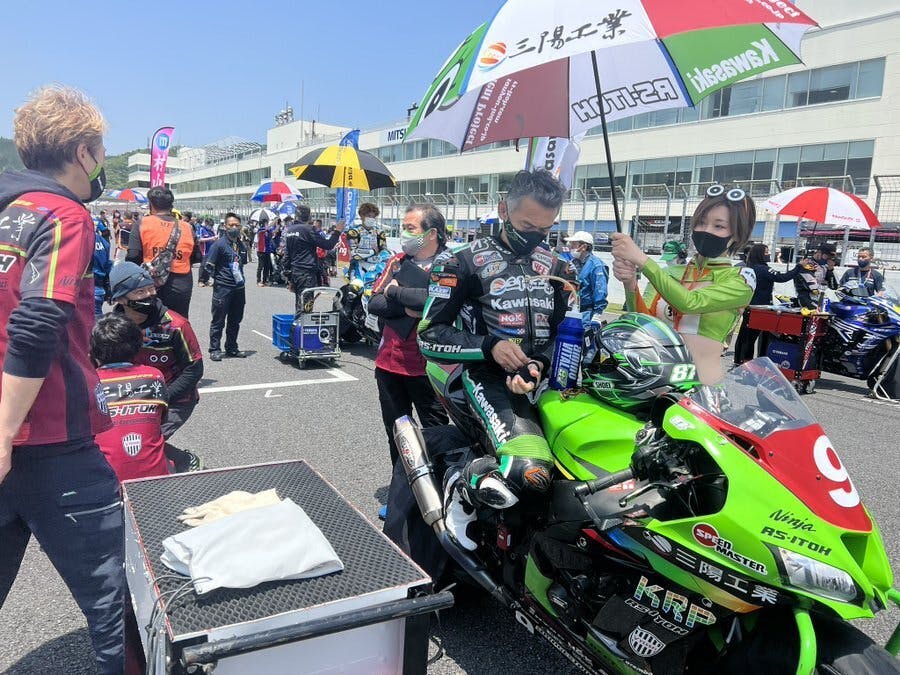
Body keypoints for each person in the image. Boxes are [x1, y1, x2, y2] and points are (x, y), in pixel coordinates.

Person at [0, 85, 125, 674]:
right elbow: (38, 323)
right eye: (101, 151)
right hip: (50, 439)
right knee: (116, 601)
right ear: (82, 153)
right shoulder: (64, 215)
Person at [418, 170, 575, 551]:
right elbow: (429, 335)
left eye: (546, 228)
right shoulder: (459, 263)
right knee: (530, 472)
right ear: (503, 210)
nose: (536, 235)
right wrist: (489, 347)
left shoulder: (558, 267)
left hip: (543, 381)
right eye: (527, 225)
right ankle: (461, 487)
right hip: (485, 377)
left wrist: (538, 365)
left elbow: (561, 333)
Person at [611, 184, 757, 385]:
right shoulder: (669, 273)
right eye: (701, 223)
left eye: (719, 226)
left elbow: (690, 303)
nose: (706, 230)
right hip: (657, 383)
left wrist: (642, 260)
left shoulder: (740, 279)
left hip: (703, 387)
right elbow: (644, 324)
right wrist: (630, 285)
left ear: (738, 235)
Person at [369, 204, 450, 519]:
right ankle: (401, 497)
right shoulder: (397, 261)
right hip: (389, 364)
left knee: (436, 434)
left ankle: (441, 498)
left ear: (432, 233)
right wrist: (409, 307)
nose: (404, 233)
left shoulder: (450, 264)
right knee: (397, 433)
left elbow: (437, 303)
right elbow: (375, 302)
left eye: (410, 228)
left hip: (431, 367)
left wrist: (397, 294)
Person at [109, 262, 204, 473]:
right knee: (115, 439)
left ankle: (183, 461)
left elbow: (194, 369)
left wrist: (161, 398)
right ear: (121, 299)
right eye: (140, 292)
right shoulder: (111, 326)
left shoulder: (176, 325)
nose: (149, 295)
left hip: (174, 398)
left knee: (143, 438)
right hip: (128, 398)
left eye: (151, 288)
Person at [91, 314, 170, 482]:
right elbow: (160, 420)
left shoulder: (88, 382)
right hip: (157, 480)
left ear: (94, 350)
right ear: (137, 345)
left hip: (106, 483)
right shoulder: (154, 376)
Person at [127, 186, 201, 317]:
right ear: (171, 205)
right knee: (178, 321)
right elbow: (197, 257)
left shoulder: (142, 223)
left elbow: (133, 256)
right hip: (181, 283)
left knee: (149, 320)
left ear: (151, 205)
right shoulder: (187, 227)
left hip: (151, 282)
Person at [733, 243, 804, 364]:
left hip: (751, 307)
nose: (768, 254)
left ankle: (741, 361)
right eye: (766, 252)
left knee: (747, 336)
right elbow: (782, 277)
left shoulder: (750, 268)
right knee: (752, 337)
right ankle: (748, 362)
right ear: (759, 254)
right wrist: (798, 266)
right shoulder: (762, 269)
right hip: (759, 309)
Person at [284, 204, 344, 316]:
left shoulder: (290, 230)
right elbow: (328, 244)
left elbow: (287, 256)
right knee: (306, 307)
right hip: (306, 272)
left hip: (295, 272)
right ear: (308, 216)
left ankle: (297, 323)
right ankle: (301, 325)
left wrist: (289, 277)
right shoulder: (307, 230)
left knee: (299, 304)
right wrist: (337, 231)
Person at [205, 212, 249, 361]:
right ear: (225, 226)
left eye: (237, 225)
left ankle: (231, 347)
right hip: (223, 288)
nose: (234, 227)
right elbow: (208, 266)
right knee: (218, 320)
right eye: (231, 225)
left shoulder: (241, 245)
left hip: (239, 288)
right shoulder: (219, 245)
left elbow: (242, 263)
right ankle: (215, 349)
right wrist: (217, 280)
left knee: (235, 320)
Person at [565, 231, 609, 327]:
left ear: (584, 247)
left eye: (574, 244)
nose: (570, 247)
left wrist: (597, 314)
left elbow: (600, 290)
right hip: (572, 309)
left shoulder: (596, 266)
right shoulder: (573, 262)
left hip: (587, 313)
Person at [794, 242, 838, 309]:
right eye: (827, 256)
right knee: (818, 310)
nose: (829, 259)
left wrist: (830, 270)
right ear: (819, 252)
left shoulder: (826, 267)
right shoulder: (806, 264)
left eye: (831, 257)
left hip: (821, 297)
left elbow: (834, 287)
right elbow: (810, 287)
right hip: (806, 297)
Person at [93, 219, 113, 316]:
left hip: (83, 287)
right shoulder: (103, 242)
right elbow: (107, 265)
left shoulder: (78, 239)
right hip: (99, 287)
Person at [196, 216, 217, 286]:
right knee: (203, 266)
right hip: (204, 251)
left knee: (210, 266)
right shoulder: (201, 229)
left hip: (211, 251)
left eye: (211, 226)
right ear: (206, 223)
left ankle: (206, 280)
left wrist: (215, 237)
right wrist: (211, 238)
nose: (210, 227)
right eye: (210, 225)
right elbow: (199, 239)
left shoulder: (211, 230)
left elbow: (214, 237)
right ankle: (200, 281)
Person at [255, 215, 275, 286]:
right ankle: (258, 281)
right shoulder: (260, 230)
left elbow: (273, 233)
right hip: (261, 251)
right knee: (260, 266)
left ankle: (264, 280)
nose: (268, 224)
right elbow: (264, 230)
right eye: (267, 223)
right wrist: (268, 227)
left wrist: (277, 225)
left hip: (268, 250)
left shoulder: (268, 231)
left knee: (267, 266)